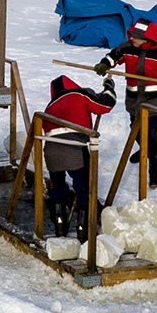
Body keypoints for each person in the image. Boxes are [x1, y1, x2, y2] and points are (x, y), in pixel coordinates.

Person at [94, 20, 157, 188]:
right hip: (134, 102)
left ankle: (154, 175)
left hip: (156, 105)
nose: (132, 39)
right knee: (137, 133)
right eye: (132, 35)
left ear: (147, 38)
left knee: (155, 139)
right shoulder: (127, 48)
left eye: (136, 37)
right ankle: (145, 149)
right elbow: (113, 56)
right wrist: (104, 65)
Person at [43, 75, 116, 238]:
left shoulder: (50, 106)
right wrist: (109, 87)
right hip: (75, 147)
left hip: (51, 151)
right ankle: (84, 232)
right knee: (85, 190)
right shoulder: (78, 94)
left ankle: (60, 229)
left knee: (58, 190)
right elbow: (105, 104)